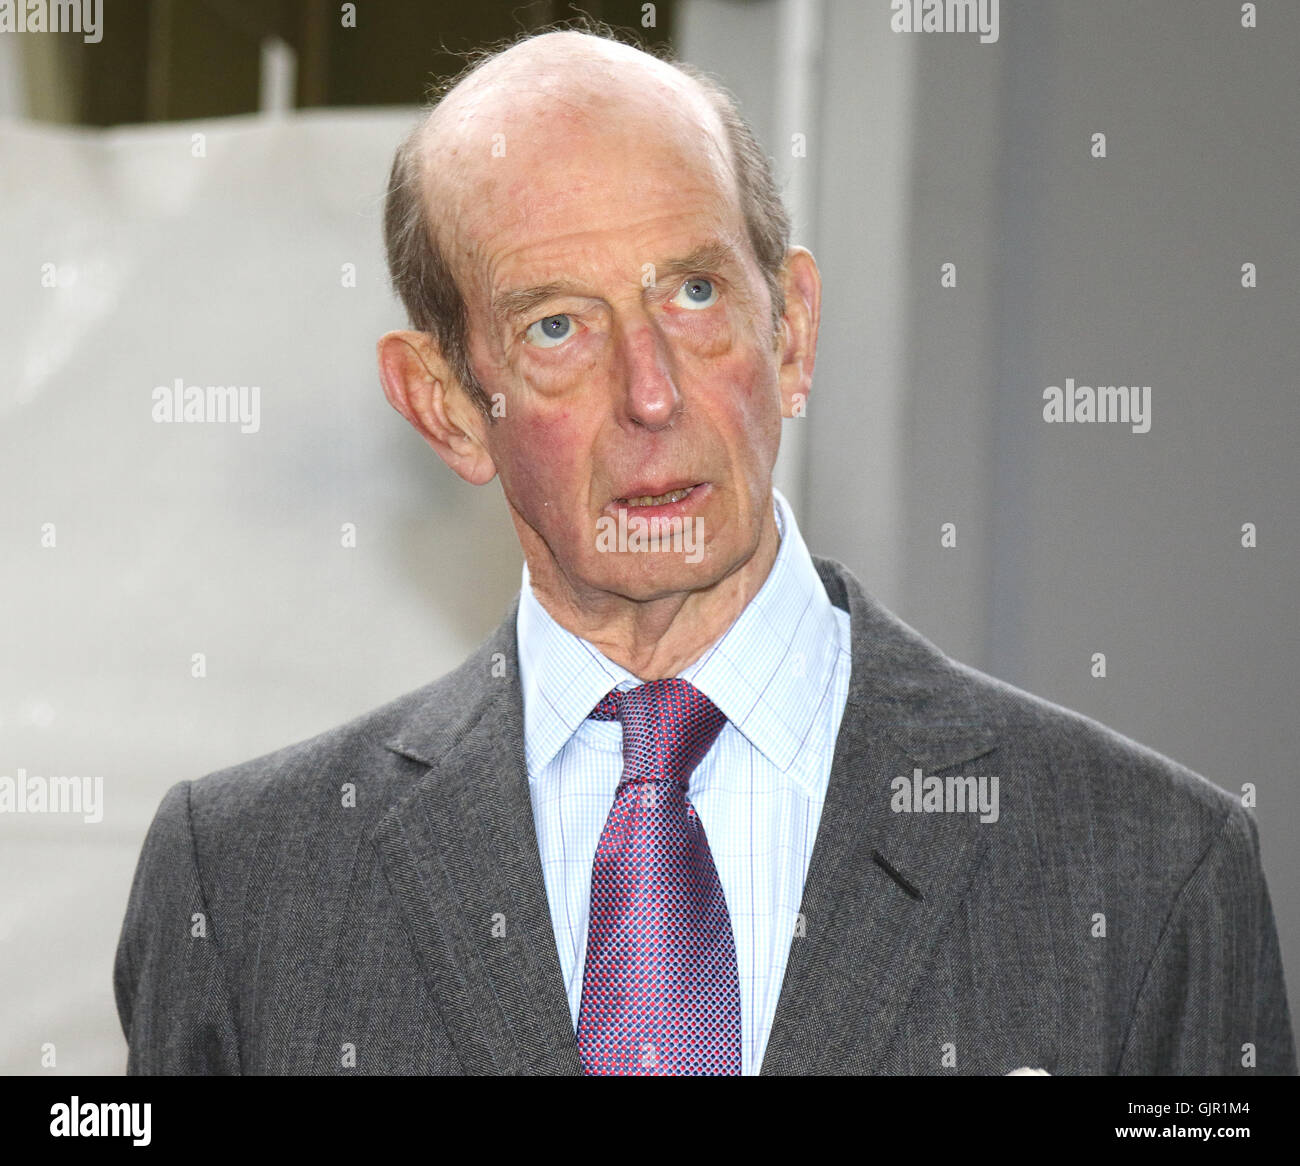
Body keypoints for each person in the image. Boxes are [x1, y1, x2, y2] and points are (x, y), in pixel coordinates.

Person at [114, 26, 1296, 1076]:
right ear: (447, 406)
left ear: (791, 332)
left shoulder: (1144, 872)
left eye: (690, 291)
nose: (650, 394)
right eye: (557, 326)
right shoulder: (246, 887)